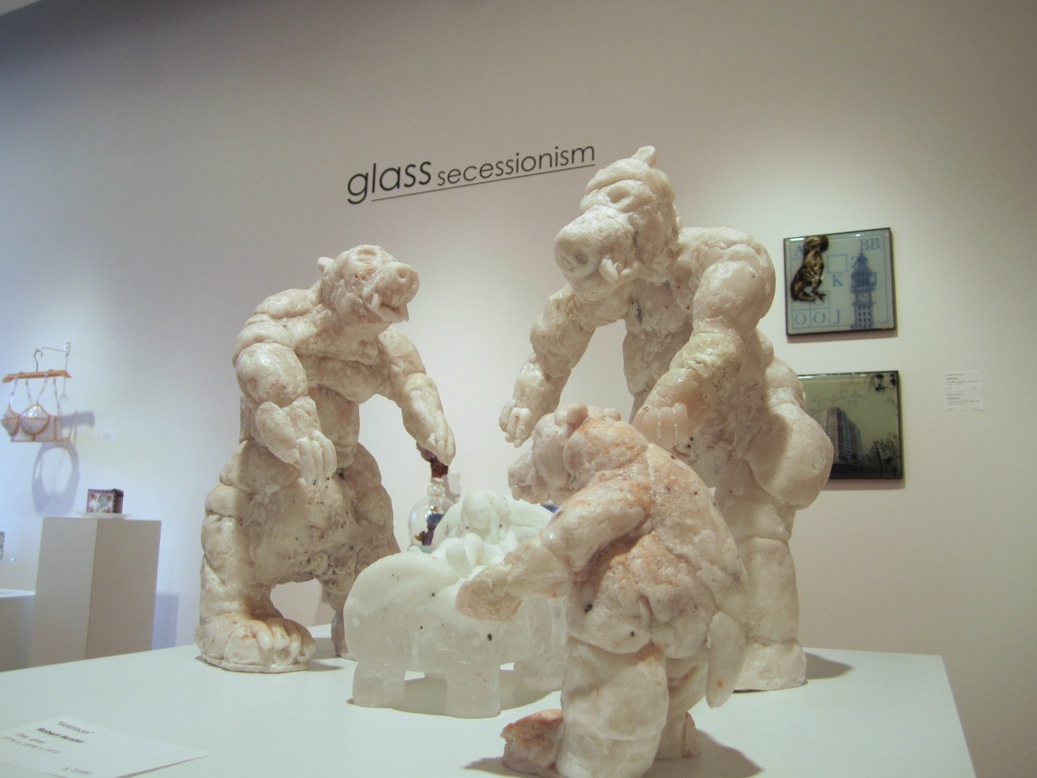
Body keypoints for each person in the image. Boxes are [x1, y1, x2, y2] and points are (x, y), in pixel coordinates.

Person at [500, 148, 832, 689]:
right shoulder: (619, 281)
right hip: (664, 418)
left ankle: (770, 647)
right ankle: (668, 642)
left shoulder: (721, 256)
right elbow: (553, 345)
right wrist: (529, 399)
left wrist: (677, 392)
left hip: (748, 411)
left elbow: (719, 338)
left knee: (753, 528)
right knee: (648, 533)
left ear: (660, 213)